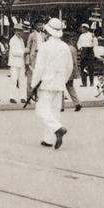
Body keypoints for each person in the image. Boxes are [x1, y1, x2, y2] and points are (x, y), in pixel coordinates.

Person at [30, 18, 72, 149]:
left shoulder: (45, 47)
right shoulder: (65, 47)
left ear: (48, 32)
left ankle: (58, 128)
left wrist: (33, 85)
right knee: (54, 111)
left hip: (46, 83)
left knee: (41, 109)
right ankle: (48, 139)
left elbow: (39, 68)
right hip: (59, 84)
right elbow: (69, 67)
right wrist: (63, 80)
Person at [7, 24, 27, 104]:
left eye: (20, 31)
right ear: (14, 31)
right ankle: (12, 97)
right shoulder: (12, 40)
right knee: (14, 80)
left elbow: (22, 50)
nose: (19, 32)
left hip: (21, 63)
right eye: (17, 30)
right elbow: (14, 52)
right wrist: (24, 52)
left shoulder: (21, 40)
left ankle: (23, 97)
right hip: (14, 63)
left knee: (22, 81)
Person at [63, 35, 82, 112]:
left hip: (64, 70)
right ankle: (77, 103)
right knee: (70, 86)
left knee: (60, 87)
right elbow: (75, 61)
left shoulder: (63, 49)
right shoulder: (73, 48)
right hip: (72, 70)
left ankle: (61, 106)